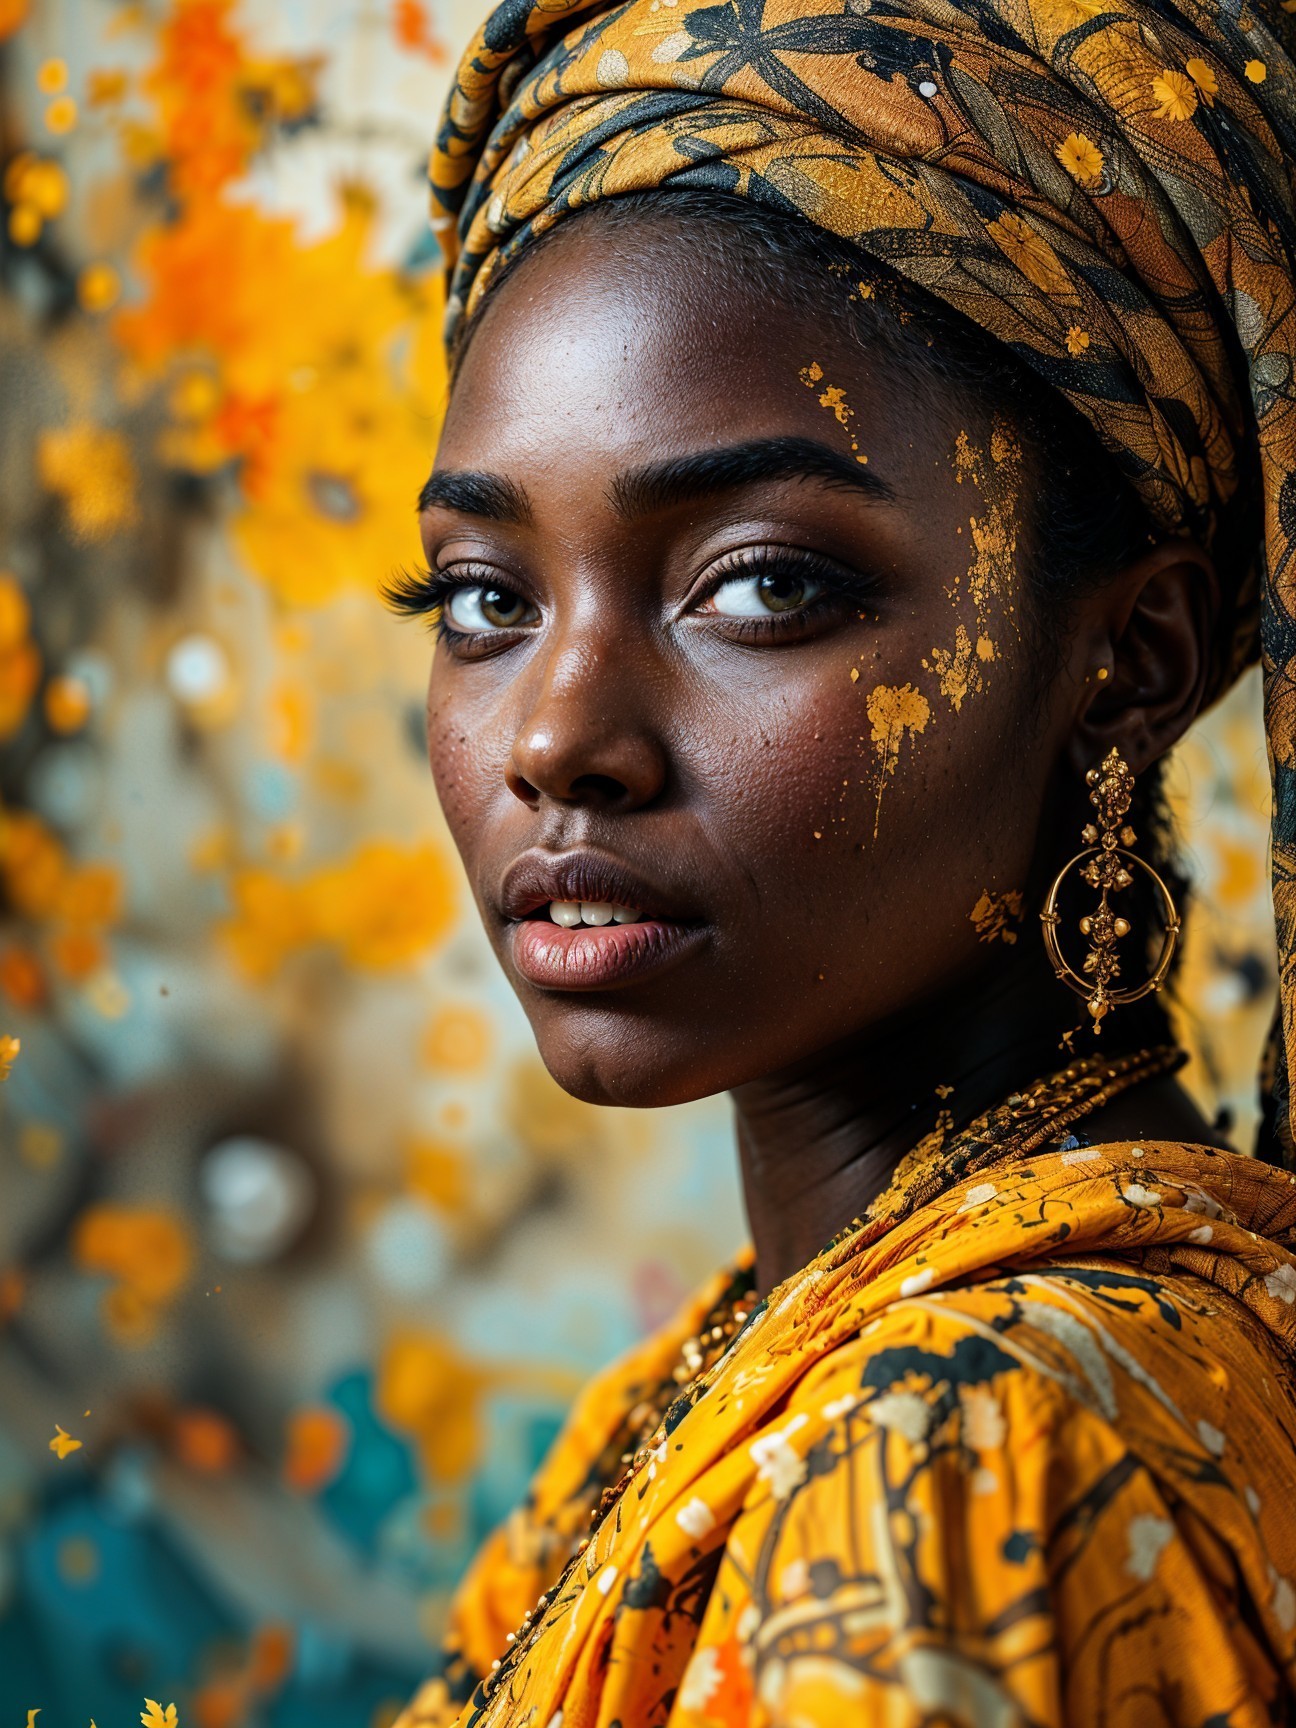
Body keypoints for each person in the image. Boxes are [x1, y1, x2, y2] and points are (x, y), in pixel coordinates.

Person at [390, 0, 1296, 1719]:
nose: (553, 735)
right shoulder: (698, 1401)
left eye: (763, 583)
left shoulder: (956, 1446)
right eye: (484, 600)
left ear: (1134, 658)